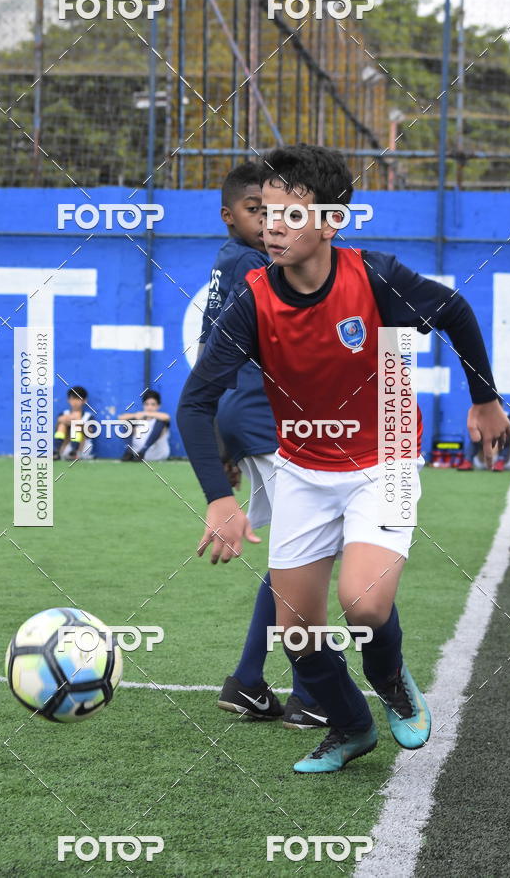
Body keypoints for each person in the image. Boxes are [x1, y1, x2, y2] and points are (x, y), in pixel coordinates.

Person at [177, 144, 510, 774]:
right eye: (268, 212)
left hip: (381, 458)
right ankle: (351, 727)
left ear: (331, 222)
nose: (275, 225)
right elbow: (195, 403)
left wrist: (486, 400)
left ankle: (388, 680)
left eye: (292, 215)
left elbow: (456, 312)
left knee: (365, 605)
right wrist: (219, 501)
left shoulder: (374, 277)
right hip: (302, 469)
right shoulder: (251, 301)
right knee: (298, 634)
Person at [199, 161, 327, 729]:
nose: (271, 222)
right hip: (266, 417)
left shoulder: (232, 266)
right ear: (231, 216)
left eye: (279, 213)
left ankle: (251, 681)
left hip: (247, 415)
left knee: (295, 553)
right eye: (260, 211)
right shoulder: (257, 266)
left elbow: (211, 352)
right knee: (304, 554)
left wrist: (221, 435)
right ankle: (308, 693)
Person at [119, 390, 171, 461]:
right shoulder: (138, 418)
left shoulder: (161, 419)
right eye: (146, 404)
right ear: (143, 405)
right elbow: (121, 418)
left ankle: (143, 450)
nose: (149, 407)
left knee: (161, 422)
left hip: (157, 454)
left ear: (158, 406)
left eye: (153, 404)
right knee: (127, 423)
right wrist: (135, 415)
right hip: (137, 456)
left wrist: (146, 414)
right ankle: (129, 451)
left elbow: (166, 417)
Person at [53, 385, 94, 460]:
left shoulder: (88, 416)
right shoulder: (64, 414)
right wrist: (62, 420)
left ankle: (74, 452)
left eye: (78, 399)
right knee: (62, 425)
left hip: (83, 448)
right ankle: (56, 451)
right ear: (68, 400)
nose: (75, 402)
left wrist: (79, 422)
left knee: (76, 425)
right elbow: (56, 429)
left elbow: (91, 433)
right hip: (66, 448)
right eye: (72, 399)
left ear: (84, 400)